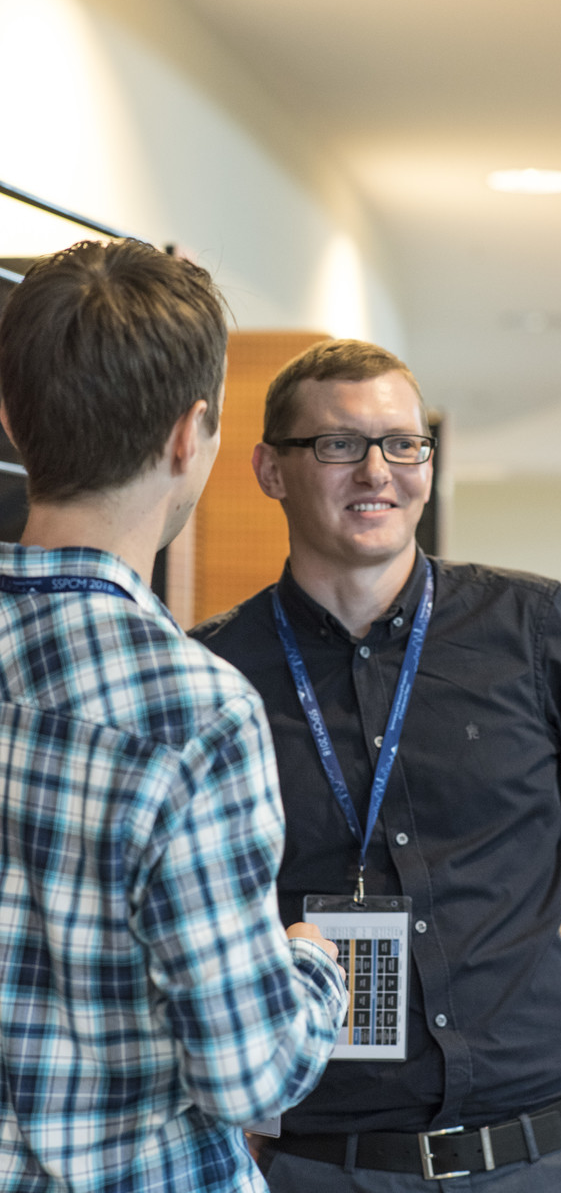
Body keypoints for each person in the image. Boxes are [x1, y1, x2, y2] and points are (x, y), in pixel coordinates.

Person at [191, 337, 561, 1192]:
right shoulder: (212, 673)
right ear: (272, 470)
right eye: (339, 444)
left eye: (402, 443)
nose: (377, 471)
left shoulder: (531, 627)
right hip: (321, 1165)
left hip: (545, 1157)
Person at [0, 241, 347, 1193]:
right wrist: (310, 967)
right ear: (189, 436)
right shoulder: (196, 712)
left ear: (10, 416)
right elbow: (251, 1073)